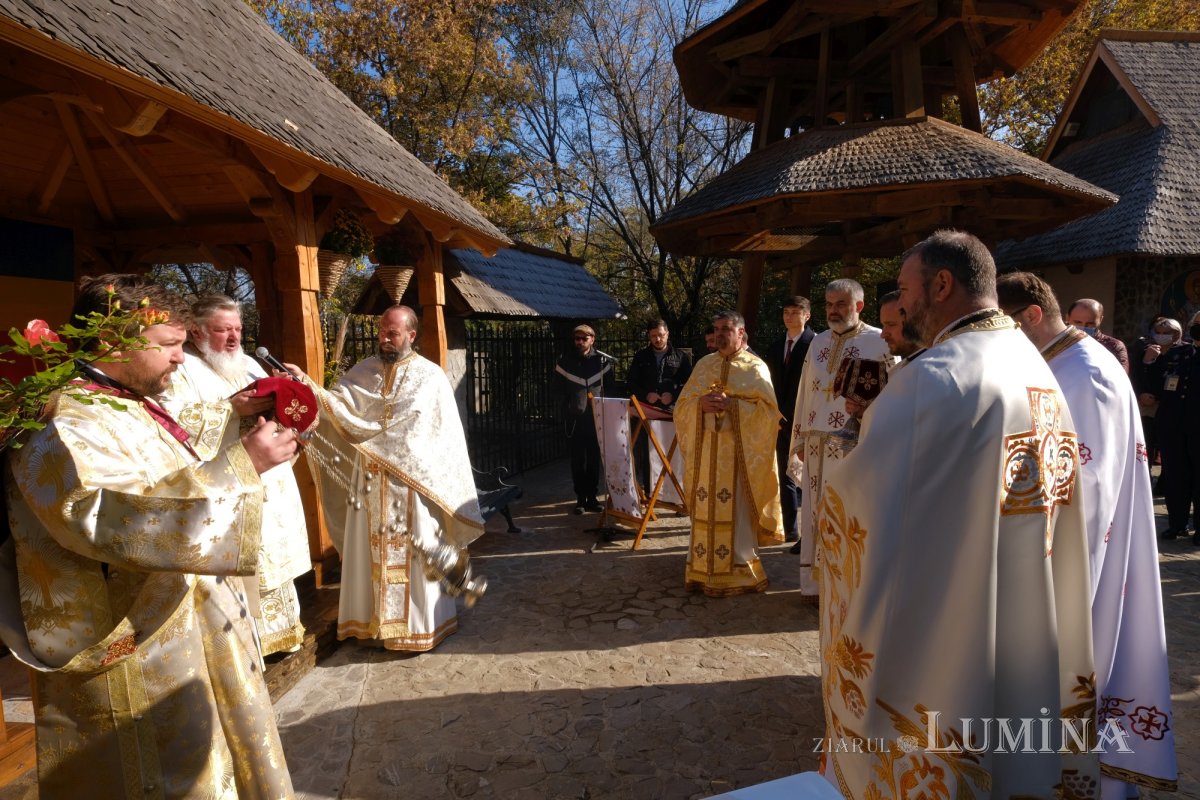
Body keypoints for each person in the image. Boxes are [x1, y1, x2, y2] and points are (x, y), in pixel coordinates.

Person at [816, 231, 1097, 799]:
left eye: (904, 291)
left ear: (941, 284)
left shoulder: (933, 377)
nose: (900, 306)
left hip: (954, 607)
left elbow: (862, 501)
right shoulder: (1031, 361)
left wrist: (840, 464)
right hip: (1025, 590)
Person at [0, 275, 300, 797]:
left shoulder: (121, 401)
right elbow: (104, 519)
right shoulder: (63, 422)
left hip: (186, 630)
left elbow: (167, 466)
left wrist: (234, 417)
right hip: (134, 650)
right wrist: (243, 465)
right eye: (169, 345)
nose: (181, 358)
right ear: (114, 340)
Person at [998, 272, 1177, 796]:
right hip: (1062, 552)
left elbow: (1087, 494)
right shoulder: (1060, 361)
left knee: (1078, 670)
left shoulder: (1085, 373)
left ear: (1032, 315)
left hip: (1080, 562)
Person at [302, 305, 485, 652]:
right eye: (381, 331)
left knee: (418, 554)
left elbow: (439, 435)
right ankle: (371, 626)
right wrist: (307, 388)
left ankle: (417, 629)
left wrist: (391, 448)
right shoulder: (363, 371)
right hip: (369, 482)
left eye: (392, 333)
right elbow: (336, 406)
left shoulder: (430, 377)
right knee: (366, 551)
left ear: (411, 335)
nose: (384, 338)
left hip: (413, 484)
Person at [157, 293, 311, 656]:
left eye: (238, 329)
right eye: (222, 330)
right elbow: (170, 422)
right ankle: (247, 647)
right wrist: (229, 409)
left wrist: (294, 392)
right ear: (196, 332)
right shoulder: (181, 369)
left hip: (269, 481)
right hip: (229, 482)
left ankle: (282, 636)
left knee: (272, 558)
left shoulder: (250, 364)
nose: (234, 338)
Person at [788, 279, 890, 589]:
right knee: (815, 512)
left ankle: (845, 584)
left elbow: (892, 394)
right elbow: (805, 393)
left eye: (841, 304)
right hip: (816, 445)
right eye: (829, 304)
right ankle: (815, 585)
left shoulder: (880, 342)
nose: (833, 310)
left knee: (846, 512)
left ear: (859, 305)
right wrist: (800, 438)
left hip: (853, 444)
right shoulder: (818, 342)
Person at [675, 311, 784, 595]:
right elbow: (681, 406)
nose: (720, 334)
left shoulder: (755, 367)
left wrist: (733, 406)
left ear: (740, 332)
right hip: (706, 456)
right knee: (705, 509)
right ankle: (701, 570)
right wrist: (699, 405)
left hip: (738, 459)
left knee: (736, 513)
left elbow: (769, 414)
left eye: (726, 329)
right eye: (716, 329)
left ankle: (740, 571)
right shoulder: (704, 364)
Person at [1144, 309, 1200, 540]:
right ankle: (1177, 523)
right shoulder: (1179, 353)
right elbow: (1156, 384)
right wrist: (1150, 362)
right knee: (1175, 476)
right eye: (1197, 324)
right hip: (1172, 424)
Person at [764, 296, 814, 544]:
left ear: (807, 315)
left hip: (806, 419)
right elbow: (768, 382)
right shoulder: (775, 347)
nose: (790, 317)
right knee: (785, 474)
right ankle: (791, 529)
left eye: (795, 312)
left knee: (809, 476)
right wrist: (775, 412)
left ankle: (812, 533)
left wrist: (793, 414)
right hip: (779, 420)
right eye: (786, 312)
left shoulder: (815, 344)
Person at [555, 324, 611, 513]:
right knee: (577, 460)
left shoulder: (602, 362)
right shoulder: (565, 362)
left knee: (594, 459)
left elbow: (611, 389)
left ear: (592, 339)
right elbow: (558, 391)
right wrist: (568, 409)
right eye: (577, 339)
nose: (579, 342)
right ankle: (580, 498)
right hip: (575, 420)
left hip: (596, 419)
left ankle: (592, 498)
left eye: (584, 338)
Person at [1133, 316, 1180, 488]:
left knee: (1170, 447)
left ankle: (1165, 483)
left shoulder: (1184, 352)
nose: (1160, 336)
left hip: (1173, 406)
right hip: (1148, 406)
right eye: (1157, 332)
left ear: (1176, 334)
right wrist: (1148, 361)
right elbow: (1136, 375)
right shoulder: (1146, 350)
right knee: (1147, 444)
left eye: (1165, 333)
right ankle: (1143, 482)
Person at [1067, 298, 1131, 375]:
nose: (1083, 327)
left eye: (1090, 323)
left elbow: (1121, 377)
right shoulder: (1059, 343)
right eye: (1078, 322)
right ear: (1068, 318)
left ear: (1100, 320)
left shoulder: (1114, 346)